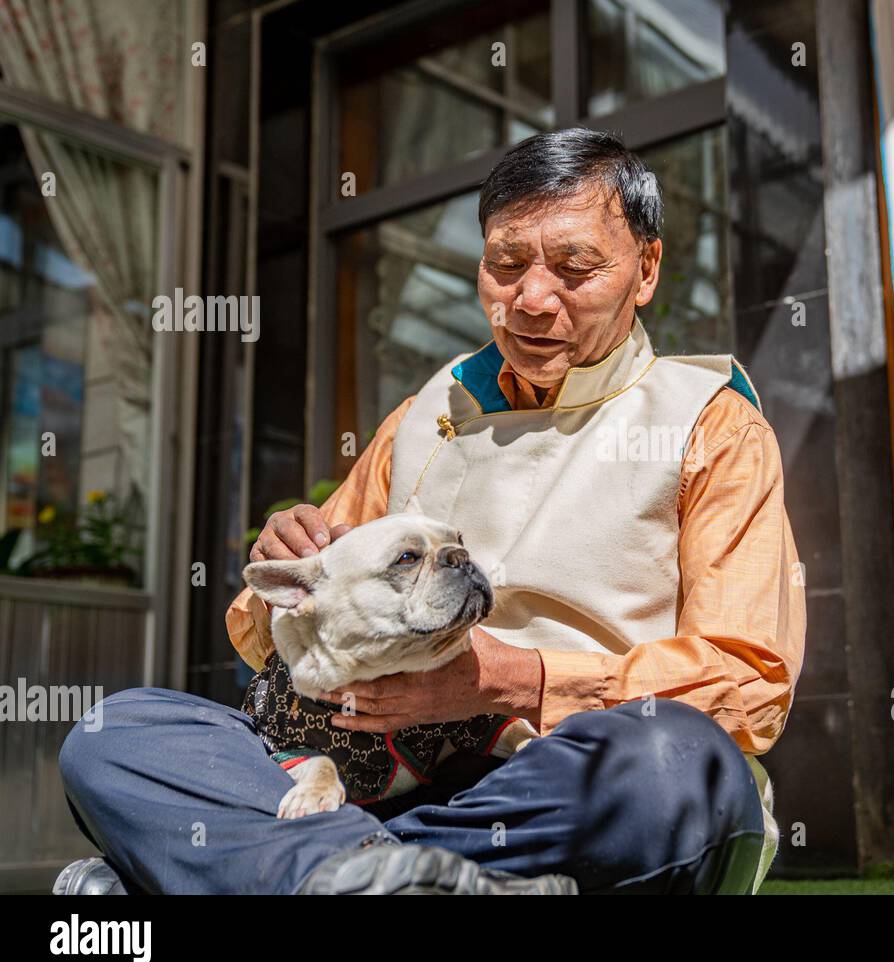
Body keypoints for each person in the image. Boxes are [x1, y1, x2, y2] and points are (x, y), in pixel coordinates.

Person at [56, 128, 805, 895]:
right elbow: (275, 632)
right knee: (117, 735)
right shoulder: (424, 414)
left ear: (645, 269)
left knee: (678, 762)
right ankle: (380, 874)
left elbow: (748, 684)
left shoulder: (709, 423)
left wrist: (515, 682)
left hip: (549, 784)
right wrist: (299, 555)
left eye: (575, 267)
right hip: (373, 776)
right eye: (506, 266)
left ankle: (309, 870)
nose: (532, 300)